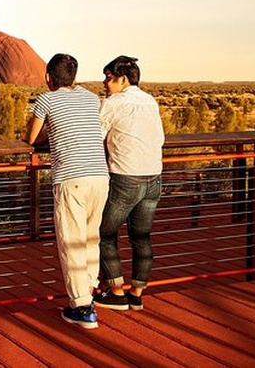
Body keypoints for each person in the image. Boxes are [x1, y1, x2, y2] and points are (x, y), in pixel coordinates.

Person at [27, 53, 109, 329]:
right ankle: (88, 291)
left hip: (71, 178)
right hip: (100, 176)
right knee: (91, 238)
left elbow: (31, 137)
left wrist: (51, 131)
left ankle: (82, 307)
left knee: (71, 242)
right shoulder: (91, 98)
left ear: (49, 77)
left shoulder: (46, 99)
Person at [94, 56, 165, 312]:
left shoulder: (113, 103)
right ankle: (136, 294)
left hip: (126, 178)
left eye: (108, 77)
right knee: (141, 237)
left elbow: (96, 135)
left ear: (122, 79)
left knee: (104, 233)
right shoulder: (149, 100)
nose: (104, 82)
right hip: (154, 177)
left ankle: (115, 292)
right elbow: (160, 137)